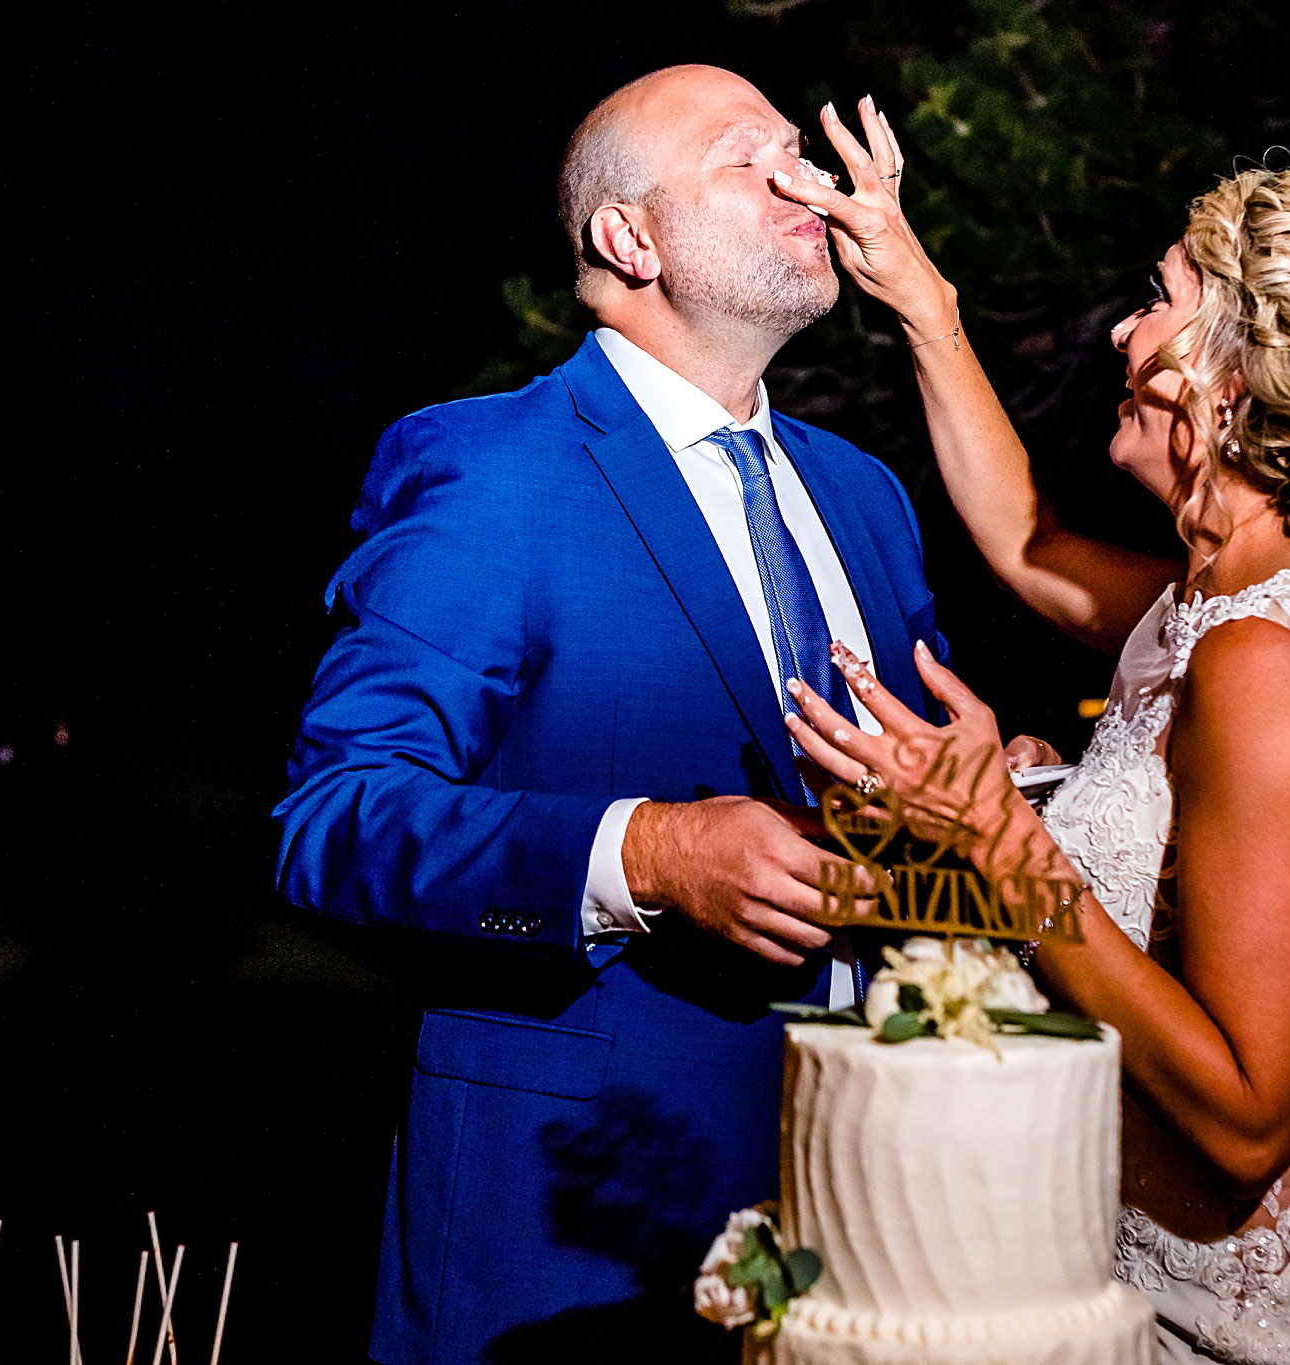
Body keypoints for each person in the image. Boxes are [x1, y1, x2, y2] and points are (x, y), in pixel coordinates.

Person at [772, 101, 1290, 1363]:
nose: (1120, 330)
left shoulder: (1267, 658)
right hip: (1138, 1265)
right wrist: (922, 299)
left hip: (1249, 1320)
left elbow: (1248, 1117)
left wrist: (1004, 848)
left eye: (1154, 300)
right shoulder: (1226, 593)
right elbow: (1026, 544)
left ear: (1228, 375)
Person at [272, 67, 947, 1364]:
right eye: (747, 159)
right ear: (629, 239)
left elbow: (922, 781)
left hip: (871, 1215)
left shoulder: (867, 497)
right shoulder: (492, 468)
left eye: (799, 152)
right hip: (574, 1238)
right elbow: (336, 815)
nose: (803, 177)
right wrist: (647, 853)